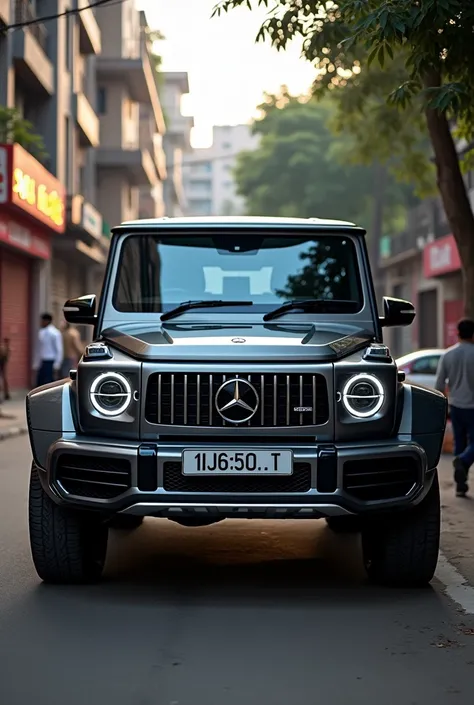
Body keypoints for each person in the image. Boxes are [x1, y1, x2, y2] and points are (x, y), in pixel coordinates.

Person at [435, 318, 474, 497]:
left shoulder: (448, 355)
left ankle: (460, 484)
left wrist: (442, 405)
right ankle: (463, 461)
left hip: (455, 406)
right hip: (473, 407)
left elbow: (439, 384)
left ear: (458, 333)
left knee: (460, 441)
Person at [32, 313, 63, 387]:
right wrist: (36, 364)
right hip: (42, 361)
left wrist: (57, 365)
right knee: (40, 383)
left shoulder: (55, 333)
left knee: (49, 383)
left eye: (42, 321)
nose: (41, 323)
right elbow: (38, 349)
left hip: (50, 361)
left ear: (47, 321)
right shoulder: (41, 332)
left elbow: (59, 349)